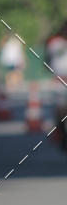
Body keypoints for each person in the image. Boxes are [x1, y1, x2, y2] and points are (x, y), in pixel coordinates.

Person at [45, 20, 67, 152]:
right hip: (60, 80)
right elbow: (47, 60)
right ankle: (61, 135)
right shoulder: (54, 42)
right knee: (61, 110)